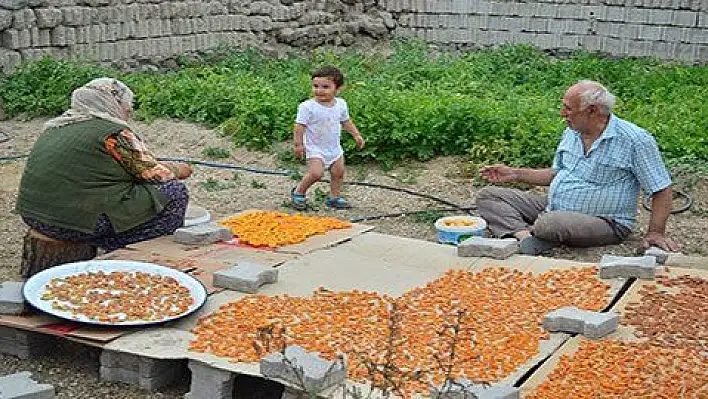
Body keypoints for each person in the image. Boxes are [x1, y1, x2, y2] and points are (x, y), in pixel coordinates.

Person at [476, 80, 681, 255]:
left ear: (591, 110)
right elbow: (556, 173)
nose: (562, 113)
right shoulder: (572, 132)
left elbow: (661, 188)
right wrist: (514, 173)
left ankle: (539, 232)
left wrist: (655, 232)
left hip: (605, 222)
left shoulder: (634, 140)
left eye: (568, 108)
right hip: (554, 207)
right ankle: (525, 237)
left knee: (549, 224)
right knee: (488, 196)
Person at [15, 77, 193, 252]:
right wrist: (178, 168)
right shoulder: (113, 134)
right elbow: (157, 175)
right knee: (175, 192)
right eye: (127, 107)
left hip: (33, 215)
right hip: (69, 225)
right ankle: (127, 246)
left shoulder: (56, 126)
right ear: (112, 104)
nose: (129, 112)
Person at [290, 66, 365, 210]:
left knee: (338, 172)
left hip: (334, 147)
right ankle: (299, 192)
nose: (319, 90)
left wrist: (356, 134)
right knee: (316, 173)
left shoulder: (341, 104)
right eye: (315, 86)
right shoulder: (307, 107)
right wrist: (298, 145)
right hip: (315, 147)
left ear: (338, 89)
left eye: (325, 87)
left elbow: (346, 121)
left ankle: (334, 197)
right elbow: (299, 126)